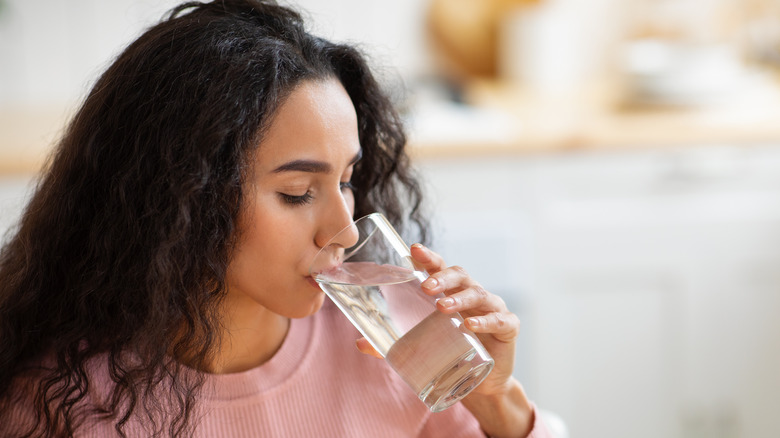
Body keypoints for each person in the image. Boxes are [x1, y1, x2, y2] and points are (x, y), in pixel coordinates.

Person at [0, 1, 553, 437]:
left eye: (345, 181)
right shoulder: (62, 403)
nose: (347, 228)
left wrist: (495, 400)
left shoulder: (399, 351)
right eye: (296, 192)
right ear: (181, 197)